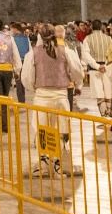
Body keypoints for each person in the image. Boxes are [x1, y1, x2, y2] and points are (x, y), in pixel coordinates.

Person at [19, 23, 84, 177]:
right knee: (60, 131)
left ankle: (43, 164)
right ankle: (56, 166)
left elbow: (26, 77)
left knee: (42, 131)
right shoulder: (65, 51)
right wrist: (75, 83)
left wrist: (35, 88)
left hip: (42, 96)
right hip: (61, 96)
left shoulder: (33, 54)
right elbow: (77, 71)